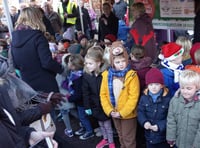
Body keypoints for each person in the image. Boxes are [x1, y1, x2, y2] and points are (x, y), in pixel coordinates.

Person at [11, 7, 63, 93]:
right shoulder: (38, 37)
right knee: (50, 105)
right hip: (45, 83)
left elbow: (15, 64)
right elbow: (47, 62)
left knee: (36, 106)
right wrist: (61, 69)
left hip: (27, 85)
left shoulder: (14, 39)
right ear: (37, 18)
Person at [100, 41, 140, 148]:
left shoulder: (132, 75)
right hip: (114, 112)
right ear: (112, 63)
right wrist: (109, 111)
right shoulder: (106, 75)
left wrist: (122, 113)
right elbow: (103, 95)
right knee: (121, 136)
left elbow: (133, 97)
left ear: (127, 60)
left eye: (123, 61)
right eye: (117, 62)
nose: (121, 64)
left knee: (128, 139)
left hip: (127, 114)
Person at [83, 47, 115, 148]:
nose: (88, 66)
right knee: (101, 124)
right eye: (86, 63)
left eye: (90, 63)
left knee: (108, 125)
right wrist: (87, 107)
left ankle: (111, 142)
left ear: (99, 63)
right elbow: (85, 93)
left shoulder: (105, 74)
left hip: (105, 105)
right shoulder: (87, 76)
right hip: (94, 105)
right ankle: (105, 139)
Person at [62, 54, 94, 140]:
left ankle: (89, 131)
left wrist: (70, 98)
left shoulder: (78, 79)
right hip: (80, 102)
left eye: (69, 62)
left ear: (73, 66)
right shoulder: (77, 75)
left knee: (83, 117)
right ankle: (84, 128)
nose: (67, 64)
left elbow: (79, 94)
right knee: (82, 117)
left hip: (82, 102)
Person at [137, 68, 171, 148]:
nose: (153, 87)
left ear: (162, 85)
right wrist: (144, 122)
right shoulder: (144, 98)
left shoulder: (167, 99)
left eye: (156, 84)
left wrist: (160, 126)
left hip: (163, 136)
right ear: (147, 85)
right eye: (151, 84)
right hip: (149, 136)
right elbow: (140, 112)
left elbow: (171, 117)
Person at [166, 69, 200, 148]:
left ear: (197, 88)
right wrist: (171, 138)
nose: (185, 91)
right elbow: (171, 120)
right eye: (182, 88)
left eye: (189, 88)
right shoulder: (175, 101)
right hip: (178, 142)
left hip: (193, 144)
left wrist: (197, 145)